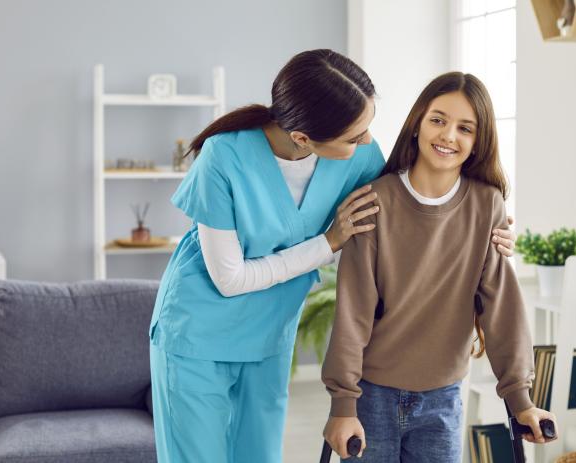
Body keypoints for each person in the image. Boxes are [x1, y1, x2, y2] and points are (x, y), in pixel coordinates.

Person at [148, 50, 517, 463]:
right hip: (199, 332)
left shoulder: (358, 156)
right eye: (354, 136)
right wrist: (328, 242)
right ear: (304, 139)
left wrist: (489, 229)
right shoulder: (223, 156)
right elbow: (228, 278)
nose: (367, 142)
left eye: (367, 127)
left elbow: (408, 210)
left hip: (270, 333)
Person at [321, 71, 556, 462]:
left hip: (443, 399)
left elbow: (501, 307)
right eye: (438, 120)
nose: (449, 135)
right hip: (371, 395)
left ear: (478, 142)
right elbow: (353, 309)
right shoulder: (376, 200)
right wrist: (343, 405)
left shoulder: (487, 205)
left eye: (466, 128)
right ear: (417, 124)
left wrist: (521, 399)